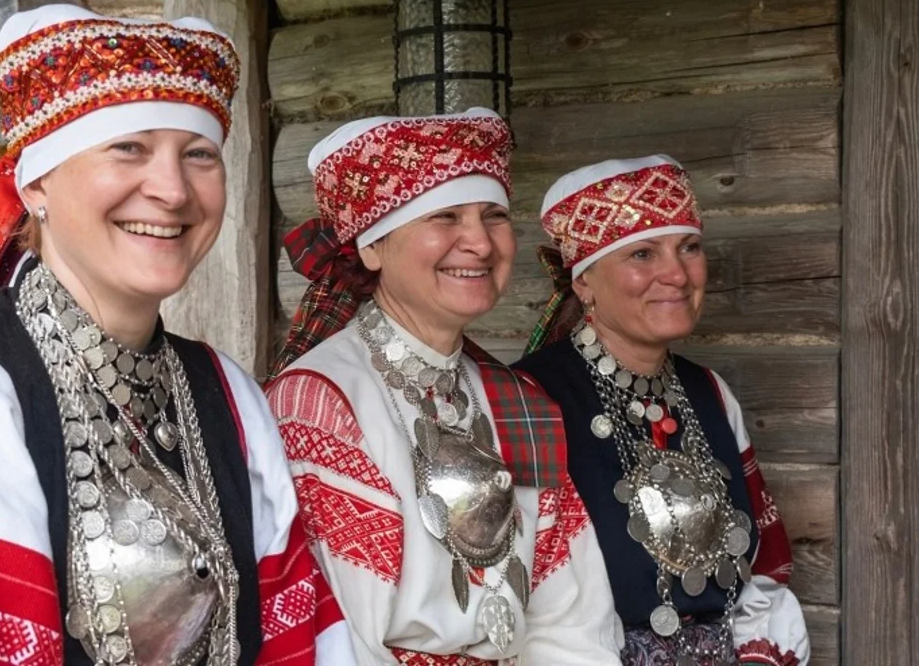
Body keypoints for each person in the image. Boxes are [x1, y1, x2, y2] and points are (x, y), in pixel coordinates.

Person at [0, 4, 352, 665]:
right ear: (36, 184)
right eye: (128, 148)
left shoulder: (231, 398)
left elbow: (301, 644)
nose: (172, 190)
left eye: (198, 154)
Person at [265, 109, 624, 664]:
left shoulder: (519, 403)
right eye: (446, 216)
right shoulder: (319, 401)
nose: (479, 242)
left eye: (494, 215)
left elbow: (574, 617)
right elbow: (344, 639)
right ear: (371, 247)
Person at [513, 156, 810, 665]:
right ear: (582, 281)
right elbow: (522, 595)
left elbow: (765, 566)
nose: (675, 273)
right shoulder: (530, 399)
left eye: (689, 247)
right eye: (643, 254)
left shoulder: (709, 392)